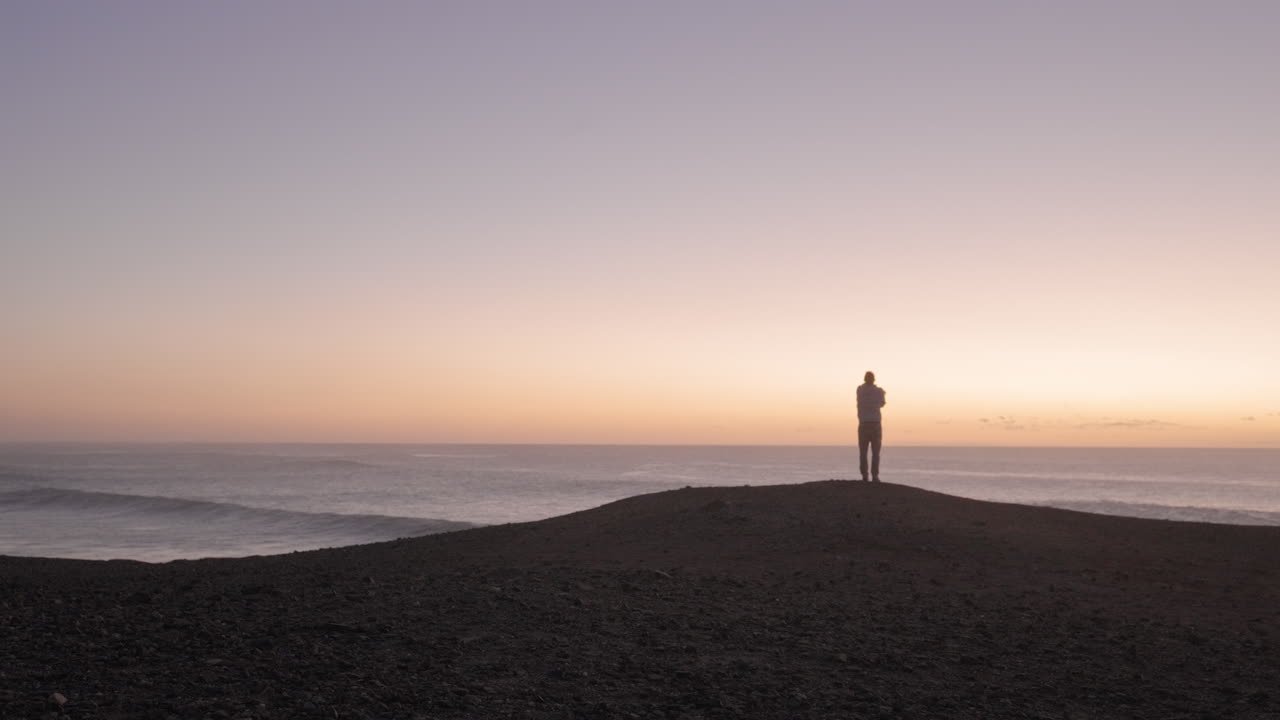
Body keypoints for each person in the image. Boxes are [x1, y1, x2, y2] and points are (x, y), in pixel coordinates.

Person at [856, 371, 886, 482]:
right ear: (874, 379)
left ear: (864, 379)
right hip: (875, 423)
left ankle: (865, 475)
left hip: (863, 423)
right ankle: (875, 476)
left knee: (863, 452)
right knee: (876, 453)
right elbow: (882, 403)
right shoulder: (879, 391)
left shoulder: (860, 390)